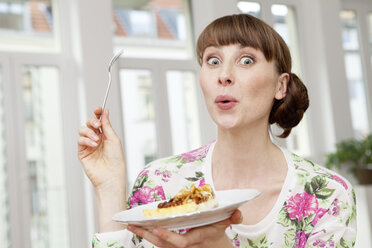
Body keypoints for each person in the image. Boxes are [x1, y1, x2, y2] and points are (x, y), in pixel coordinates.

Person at [78, 14, 356, 248]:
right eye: (213, 60)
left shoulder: (326, 195)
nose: (224, 74)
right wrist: (110, 188)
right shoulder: (158, 184)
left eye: (246, 60)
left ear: (280, 86)